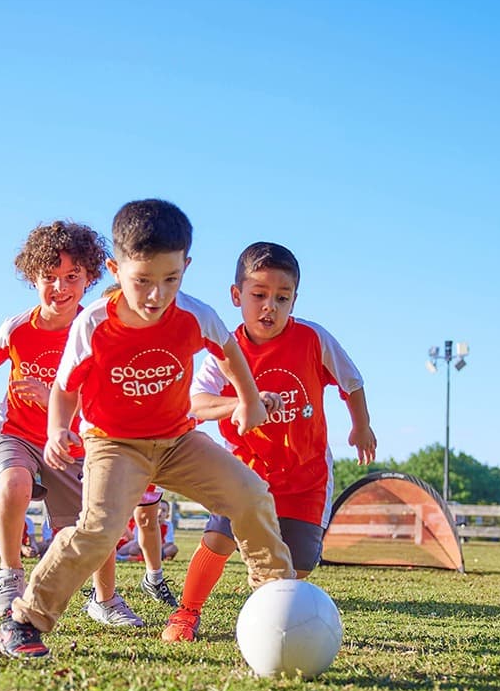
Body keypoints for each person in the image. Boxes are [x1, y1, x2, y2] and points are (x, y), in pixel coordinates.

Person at [0, 198, 294, 659]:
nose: (157, 296)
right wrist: (58, 429)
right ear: (116, 270)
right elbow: (63, 388)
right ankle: (26, 619)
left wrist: (250, 401)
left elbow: (228, 352)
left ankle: (279, 604)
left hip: (178, 441)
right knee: (100, 531)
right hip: (114, 445)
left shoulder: (196, 315)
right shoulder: (94, 323)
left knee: (251, 494)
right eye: (143, 282)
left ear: (186, 267)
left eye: (171, 280)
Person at [0, 220, 142, 625]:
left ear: (90, 277)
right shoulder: (19, 327)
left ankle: (105, 599)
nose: (60, 288)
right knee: (14, 483)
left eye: (71, 277)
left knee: (92, 521)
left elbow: (102, 398)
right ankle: (10, 577)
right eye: (49, 278)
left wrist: (53, 400)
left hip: (67, 440)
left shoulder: (94, 329)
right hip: (16, 433)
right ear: (33, 277)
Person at [161, 241, 377, 642]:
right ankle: (186, 613)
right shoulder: (224, 350)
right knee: (217, 538)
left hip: (306, 476)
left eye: (282, 297)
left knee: (294, 572)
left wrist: (360, 426)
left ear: (295, 299)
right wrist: (243, 401)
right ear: (236, 295)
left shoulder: (313, 339)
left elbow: (352, 381)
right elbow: (196, 402)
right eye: (259, 295)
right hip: (246, 473)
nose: (269, 307)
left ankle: (266, 620)